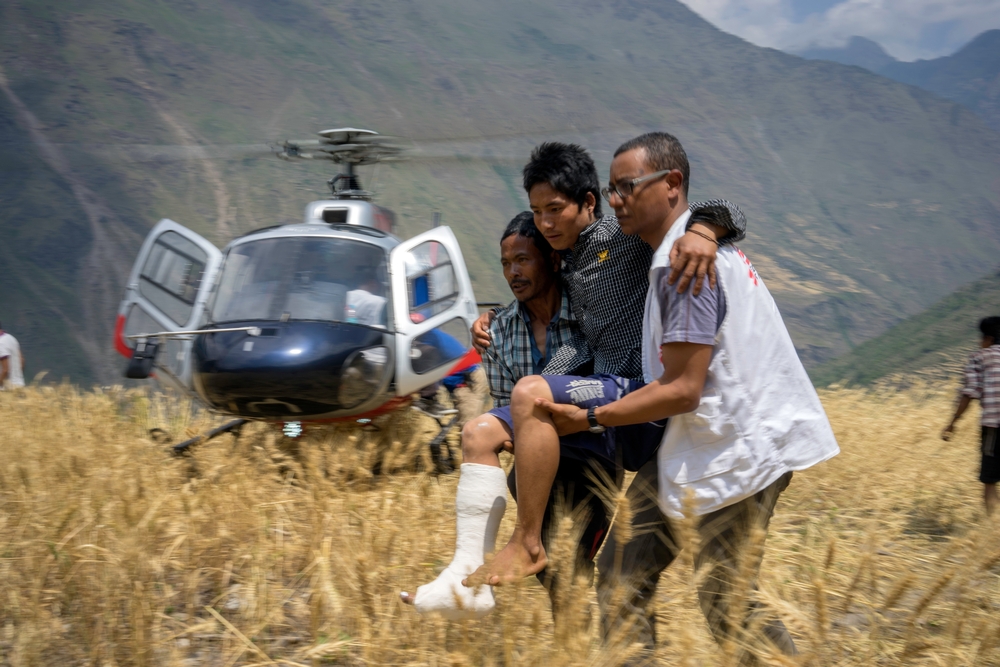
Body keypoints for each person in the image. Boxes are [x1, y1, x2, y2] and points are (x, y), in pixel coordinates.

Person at [470, 132, 839, 665]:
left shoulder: (674, 259)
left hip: (733, 443)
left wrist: (707, 228)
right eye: (613, 188)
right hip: (682, 440)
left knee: (724, 598)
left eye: (625, 188)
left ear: (668, 187)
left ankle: (528, 541)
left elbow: (684, 389)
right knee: (621, 577)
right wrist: (490, 318)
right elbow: (538, 293)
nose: (618, 199)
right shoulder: (590, 257)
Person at [403, 142, 748, 619]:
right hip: (595, 377)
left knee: (532, 396)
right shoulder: (560, 258)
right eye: (537, 211)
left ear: (589, 203)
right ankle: (465, 578)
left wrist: (706, 232)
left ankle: (527, 544)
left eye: (556, 209)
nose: (546, 222)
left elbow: (729, 209)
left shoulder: (622, 236)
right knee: (478, 432)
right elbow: (560, 315)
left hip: (633, 385)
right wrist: (497, 325)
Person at [942, 316, 1000, 516]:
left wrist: (952, 423)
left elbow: (969, 393)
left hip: (994, 426)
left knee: (990, 481)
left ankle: (992, 530)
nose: (979, 342)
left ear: (989, 339)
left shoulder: (978, 357)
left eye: (981, 338)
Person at [0, 322, 25, 390]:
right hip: (19, 385)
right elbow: (22, 360)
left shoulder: (1, 343)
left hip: (6, 389)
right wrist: (17, 377)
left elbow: (5, 370)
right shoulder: (11, 338)